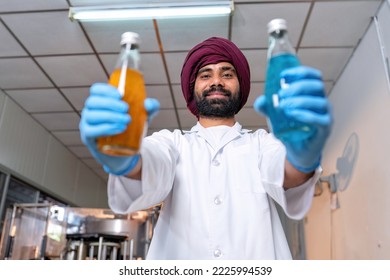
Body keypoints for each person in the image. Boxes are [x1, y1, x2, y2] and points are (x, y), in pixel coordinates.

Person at [79, 37, 332, 260]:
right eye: (205, 75)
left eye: (227, 73)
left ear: (240, 85)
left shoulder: (262, 144)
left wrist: (302, 157)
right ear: (193, 87)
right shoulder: (172, 143)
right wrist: (125, 160)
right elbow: (152, 164)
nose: (217, 82)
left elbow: (286, 173)